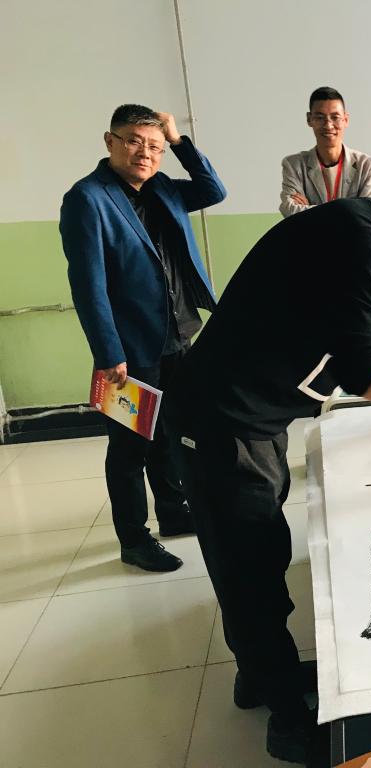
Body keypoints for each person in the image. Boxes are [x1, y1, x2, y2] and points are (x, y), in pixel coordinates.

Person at [163, 169, 371, 763]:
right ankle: (288, 724)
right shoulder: (353, 237)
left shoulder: (367, 240)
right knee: (248, 566)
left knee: (261, 550)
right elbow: (362, 371)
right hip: (220, 422)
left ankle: (259, 674)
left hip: (253, 418)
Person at [60, 104, 226, 572]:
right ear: (110, 141)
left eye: (154, 146)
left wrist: (178, 139)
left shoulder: (164, 189)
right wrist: (108, 352)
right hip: (129, 350)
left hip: (178, 334)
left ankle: (172, 511)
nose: (145, 153)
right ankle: (133, 539)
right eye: (134, 141)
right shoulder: (87, 199)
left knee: (170, 432)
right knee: (130, 448)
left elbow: (213, 190)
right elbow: (88, 285)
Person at [279, 86, 371, 216]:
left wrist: (309, 209)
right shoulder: (294, 165)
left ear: (345, 120)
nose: (328, 125)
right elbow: (290, 211)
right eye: (320, 117)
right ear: (309, 119)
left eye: (335, 117)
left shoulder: (367, 166)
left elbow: (368, 215)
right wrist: (348, 211)